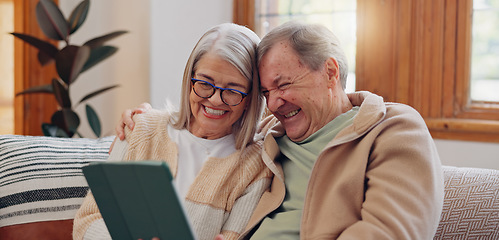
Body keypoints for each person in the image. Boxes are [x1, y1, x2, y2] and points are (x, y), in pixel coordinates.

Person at [117, 21, 445, 239]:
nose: (274, 103)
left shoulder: (393, 130)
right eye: (264, 93)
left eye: (283, 84)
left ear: (330, 72)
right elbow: (211, 120)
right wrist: (148, 119)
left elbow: (389, 233)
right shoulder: (272, 134)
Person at [72, 23, 273, 240]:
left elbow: (235, 236)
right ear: (189, 81)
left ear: (250, 98)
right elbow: (87, 222)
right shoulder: (140, 129)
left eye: (233, 90)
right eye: (205, 83)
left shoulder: (255, 165)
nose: (215, 99)